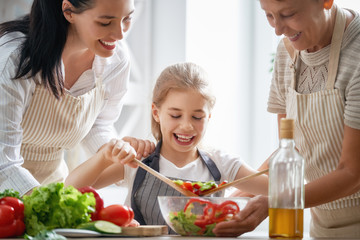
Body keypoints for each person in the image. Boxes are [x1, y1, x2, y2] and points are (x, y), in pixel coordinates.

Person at [65, 62, 268, 234]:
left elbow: (279, 190)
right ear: (156, 112)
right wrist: (104, 156)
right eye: (175, 115)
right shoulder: (139, 161)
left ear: (209, 117)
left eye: (197, 117)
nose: (187, 126)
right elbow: (71, 188)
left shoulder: (222, 163)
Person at [213, 0, 360, 238]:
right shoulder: (287, 52)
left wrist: (276, 202)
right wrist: (230, 205)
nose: (278, 29)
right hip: (321, 226)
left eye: (288, 14)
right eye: (269, 16)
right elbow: (290, 153)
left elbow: (353, 174)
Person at [0, 0, 155, 197]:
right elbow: (3, 163)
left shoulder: (115, 60)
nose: (120, 34)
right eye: (105, 23)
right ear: (69, 11)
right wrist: (46, 206)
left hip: (52, 185)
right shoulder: (14, 59)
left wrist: (116, 152)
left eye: (127, 19)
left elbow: (97, 125)